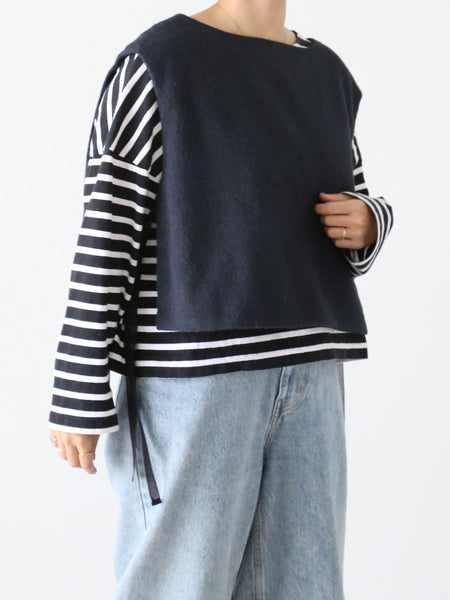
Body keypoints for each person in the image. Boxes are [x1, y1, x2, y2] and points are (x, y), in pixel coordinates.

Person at [48, 2, 393, 599]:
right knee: (180, 584)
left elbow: (350, 199)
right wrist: (79, 389)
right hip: (193, 380)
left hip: (312, 368)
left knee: (306, 586)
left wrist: (370, 220)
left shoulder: (327, 74)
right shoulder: (158, 62)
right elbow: (108, 226)